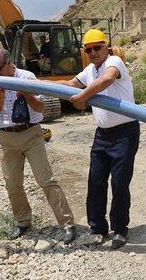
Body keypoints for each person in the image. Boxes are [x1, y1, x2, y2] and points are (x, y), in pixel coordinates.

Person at [55, 29, 140, 249]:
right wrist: (37, 85)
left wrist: (83, 97)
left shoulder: (114, 62)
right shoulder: (90, 70)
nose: (93, 52)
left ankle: (120, 229)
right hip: (102, 134)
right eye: (88, 49)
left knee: (119, 183)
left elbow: (106, 80)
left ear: (106, 46)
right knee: (95, 181)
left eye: (97, 47)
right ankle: (97, 228)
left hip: (124, 132)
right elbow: (71, 84)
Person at [0, 49, 77, 244]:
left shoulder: (27, 77)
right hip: (6, 138)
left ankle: (67, 224)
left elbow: (41, 109)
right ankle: (23, 222)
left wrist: (26, 95)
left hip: (31, 134)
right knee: (13, 183)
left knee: (46, 180)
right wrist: (0, 97)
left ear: (9, 64)